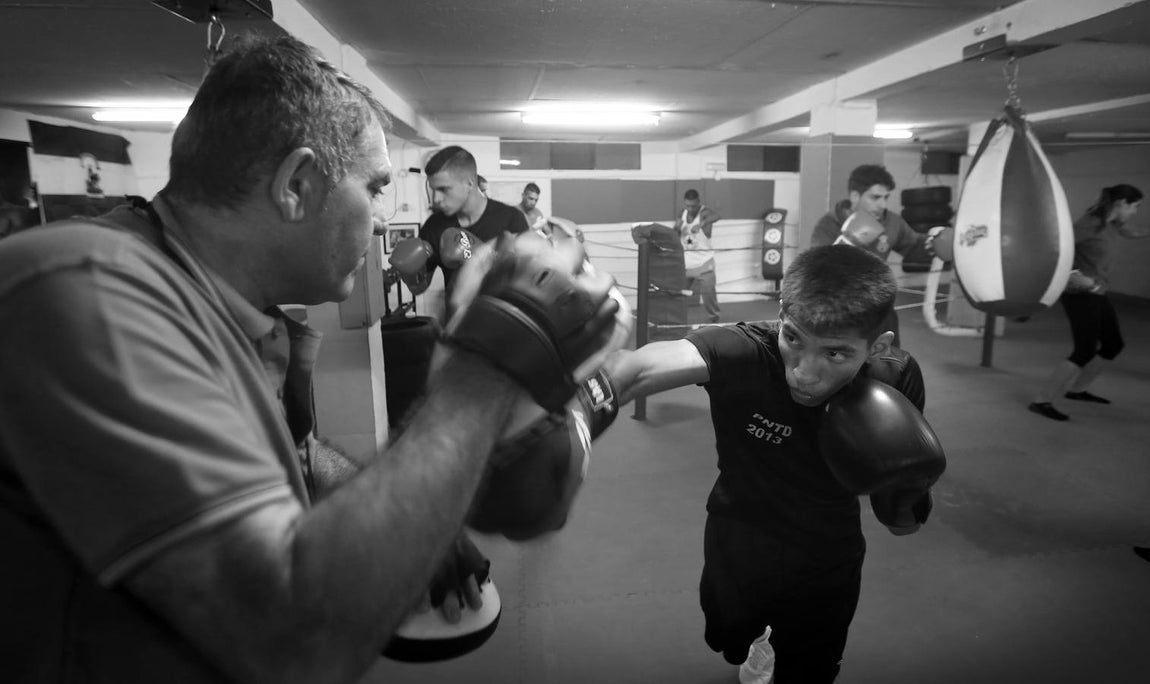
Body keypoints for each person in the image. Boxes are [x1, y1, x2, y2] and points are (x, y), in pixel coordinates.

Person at [0, 34, 619, 683]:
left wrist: (405, 522)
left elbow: (293, 454)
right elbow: (291, 646)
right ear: (297, 185)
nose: (382, 221)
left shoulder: (220, 304)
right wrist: (486, 371)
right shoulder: (86, 292)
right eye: (375, 189)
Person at [601, 244, 942, 684]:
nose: (803, 371)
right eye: (793, 338)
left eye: (835, 354)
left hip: (829, 548)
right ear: (781, 316)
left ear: (877, 345)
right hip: (739, 531)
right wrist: (575, 408)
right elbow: (638, 369)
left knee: (812, 669)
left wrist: (908, 495)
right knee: (732, 638)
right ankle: (761, 644)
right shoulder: (746, 351)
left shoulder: (894, 376)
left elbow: (902, 516)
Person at [1028, 184, 1145, 421]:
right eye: (1134, 206)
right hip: (1079, 293)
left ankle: (1077, 390)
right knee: (1084, 350)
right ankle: (1041, 400)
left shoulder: (1112, 223)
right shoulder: (1088, 224)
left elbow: (1130, 232)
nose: (1135, 211)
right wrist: (1073, 275)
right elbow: (1056, 249)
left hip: (1098, 292)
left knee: (1113, 344)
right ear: (1121, 203)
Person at [393, 146, 529, 320]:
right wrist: (409, 272)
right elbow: (418, 288)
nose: (436, 199)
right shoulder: (435, 225)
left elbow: (528, 281)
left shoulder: (511, 219)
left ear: (469, 184)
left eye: (444, 189)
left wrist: (481, 256)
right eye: (433, 189)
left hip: (503, 327)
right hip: (456, 330)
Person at [810, 164, 937, 347]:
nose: (882, 205)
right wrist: (847, 243)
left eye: (886, 197)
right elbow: (816, 268)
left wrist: (935, 241)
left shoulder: (892, 221)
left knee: (888, 363)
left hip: (879, 306)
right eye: (875, 197)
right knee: (844, 365)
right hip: (839, 309)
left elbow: (914, 245)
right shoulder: (829, 224)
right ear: (855, 196)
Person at [674, 188, 722, 323]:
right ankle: (676, 319)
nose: (690, 209)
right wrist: (677, 229)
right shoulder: (682, 213)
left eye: (693, 206)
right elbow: (675, 231)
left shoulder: (704, 212)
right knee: (678, 294)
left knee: (708, 293)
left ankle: (714, 319)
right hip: (686, 264)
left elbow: (717, 216)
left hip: (704, 263)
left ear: (699, 202)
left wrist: (702, 224)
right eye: (688, 205)